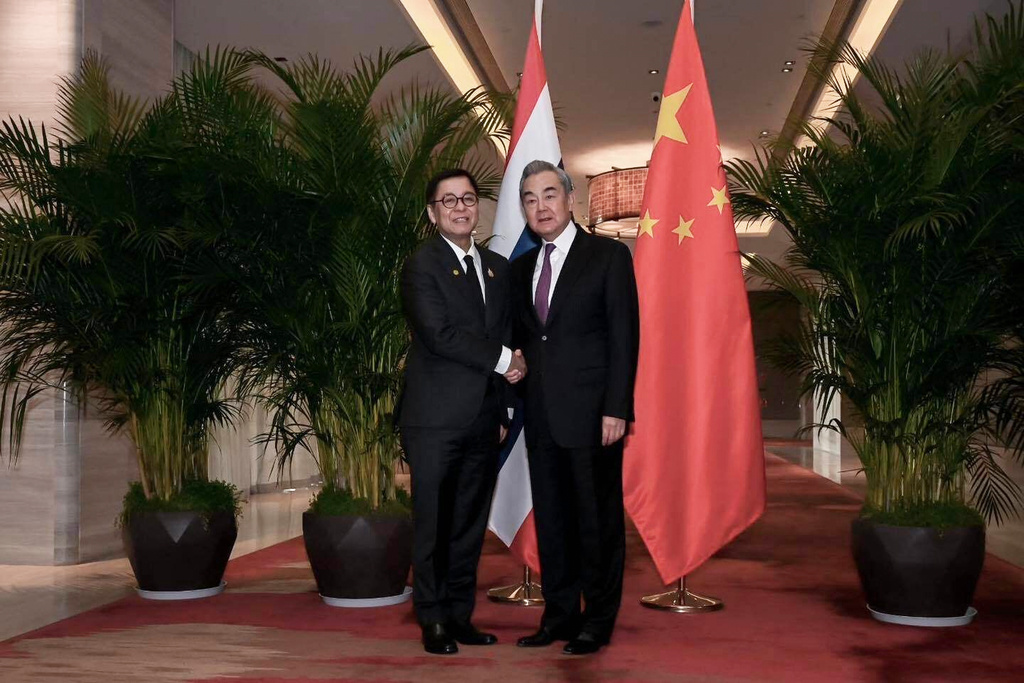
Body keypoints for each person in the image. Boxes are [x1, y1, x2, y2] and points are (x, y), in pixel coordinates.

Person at [512, 160, 639, 655]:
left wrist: (617, 407)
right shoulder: (521, 268)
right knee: (554, 521)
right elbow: (523, 341)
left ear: (569, 201)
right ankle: (560, 616)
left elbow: (625, 337)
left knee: (597, 520)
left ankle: (598, 619)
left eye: (548, 195)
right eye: (529, 198)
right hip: (540, 415)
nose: (540, 206)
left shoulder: (607, 256)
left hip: (593, 416)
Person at [397, 168, 527, 655]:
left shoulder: (496, 268)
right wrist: (504, 361)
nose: (459, 207)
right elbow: (439, 335)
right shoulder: (421, 266)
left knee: (469, 525)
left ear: (478, 208)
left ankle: (459, 616)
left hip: (482, 419)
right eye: (448, 201)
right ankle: (431, 619)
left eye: (467, 199)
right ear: (433, 213)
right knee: (432, 522)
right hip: (433, 420)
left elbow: (508, 333)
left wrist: (506, 399)